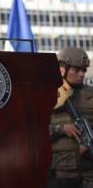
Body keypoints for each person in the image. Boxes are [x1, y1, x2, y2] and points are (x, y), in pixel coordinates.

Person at [49, 47, 93, 188]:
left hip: (89, 172)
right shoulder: (48, 96)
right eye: (77, 69)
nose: (82, 74)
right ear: (62, 69)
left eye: (84, 70)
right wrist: (61, 129)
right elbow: (34, 131)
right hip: (63, 172)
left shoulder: (90, 94)